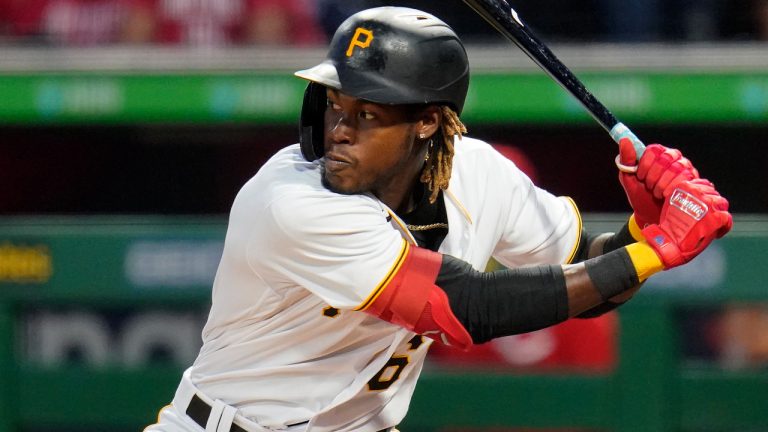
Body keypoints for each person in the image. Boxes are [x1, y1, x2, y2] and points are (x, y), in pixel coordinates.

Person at [144, 6, 732, 432]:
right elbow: (464, 307)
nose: (339, 129)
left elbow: (582, 272)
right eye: (335, 105)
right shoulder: (290, 199)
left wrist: (642, 228)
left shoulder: (481, 174)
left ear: (428, 122)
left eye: (367, 113)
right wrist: (655, 251)